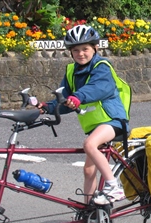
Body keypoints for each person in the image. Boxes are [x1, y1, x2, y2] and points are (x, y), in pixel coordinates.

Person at [38, 24, 129, 206]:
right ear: (70, 52)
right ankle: (89, 213)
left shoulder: (102, 67)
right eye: (76, 50)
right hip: (96, 126)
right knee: (88, 171)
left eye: (85, 49)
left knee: (89, 144)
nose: (81, 53)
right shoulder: (71, 71)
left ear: (95, 48)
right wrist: (48, 107)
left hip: (113, 120)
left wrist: (78, 97)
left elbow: (98, 88)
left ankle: (114, 186)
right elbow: (65, 101)